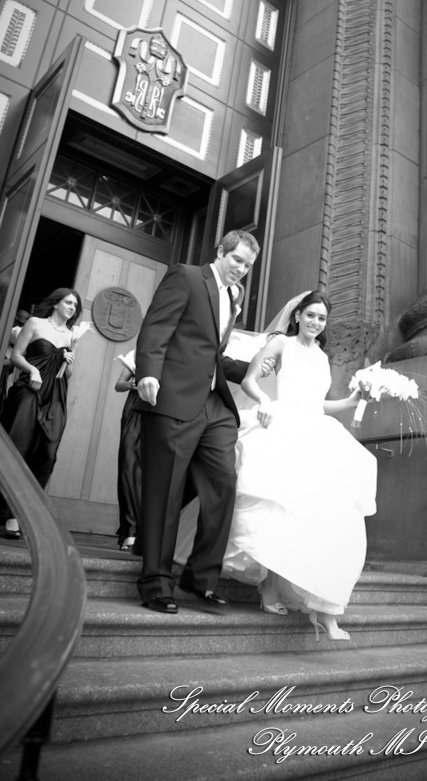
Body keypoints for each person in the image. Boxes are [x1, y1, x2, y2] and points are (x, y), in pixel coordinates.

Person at [222, 290, 378, 641]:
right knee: (282, 508)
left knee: (322, 515)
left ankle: (324, 607)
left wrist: (353, 400)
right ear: (297, 316)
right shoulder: (280, 345)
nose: (315, 322)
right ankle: (271, 590)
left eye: (322, 318)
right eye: (311, 315)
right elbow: (249, 379)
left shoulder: (322, 357)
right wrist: (263, 398)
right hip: (283, 423)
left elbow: (318, 405)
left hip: (316, 431)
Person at [135, 229, 261, 614]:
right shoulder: (187, 276)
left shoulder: (233, 298)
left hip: (214, 405)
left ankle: (200, 578)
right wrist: (148, 372)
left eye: (248, 265)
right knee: (166, 488)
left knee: (223, 481)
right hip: (173, 395)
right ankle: (156, 583)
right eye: (237, 259)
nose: (241, 269)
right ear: (220, 251)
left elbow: (212, 353)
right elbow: (157, 326)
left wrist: (259, 368)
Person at [0, 288, 83, 539]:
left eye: (75, 306)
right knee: (20, 448)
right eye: (68, 302)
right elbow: (15, 355)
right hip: (29, 390)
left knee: (47, 453)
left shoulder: (71, 335)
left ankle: (29, 511)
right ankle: (12, 514)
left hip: (55, 395)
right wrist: (32, 371)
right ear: (56, 303)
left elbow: (67, 376)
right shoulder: (35, 323)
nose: (71, 308)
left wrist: (69, 361)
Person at [114, 351, 142, 552]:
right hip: (135, 411)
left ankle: (144, 532)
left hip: (162, 413)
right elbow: (119, 385)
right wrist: (134, 384)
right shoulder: (139, 352)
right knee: (129, 467)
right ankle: (130, 531)